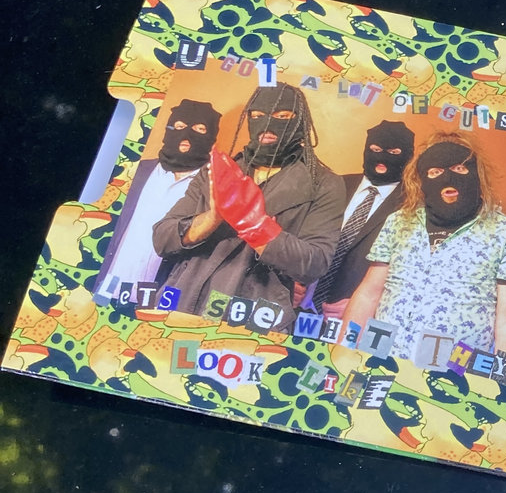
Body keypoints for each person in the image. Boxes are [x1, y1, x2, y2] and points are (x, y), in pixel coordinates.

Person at [153, 83, 344, 328]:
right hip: (183, 300)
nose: (267, 124)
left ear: (301, 121)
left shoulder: (322, 183)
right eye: (257, 115)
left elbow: (315, 263)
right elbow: (162, 238)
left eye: (282, 116)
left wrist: (256, 227)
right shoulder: (218, 170)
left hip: (252, 315)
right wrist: (213, 218)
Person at [344, 134, 506, 366]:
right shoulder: (399, 222)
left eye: (458, 168)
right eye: (435, 172)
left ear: (477, 173)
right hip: (380, 359)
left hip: (450, 373)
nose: (447, 178)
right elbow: (368, 294)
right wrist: (343, 352)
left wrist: (500, 381)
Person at [95, 98, 221, 298]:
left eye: (199, 129)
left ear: (212, 139)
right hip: (106, 288)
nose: (187, 135)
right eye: (179, 126)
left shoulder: (214, 187)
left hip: (159, 299)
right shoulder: (133, 172)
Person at [302, 119, 414, 316]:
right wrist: (289, 282)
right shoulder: (333, 185)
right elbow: (301, 235)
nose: (382, 158)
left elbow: (410, 271)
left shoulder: (412, 206)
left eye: (394, 152)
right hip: (296, 307)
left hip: (351, 319)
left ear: (408, 156)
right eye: (376, 149)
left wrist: (367, 306)